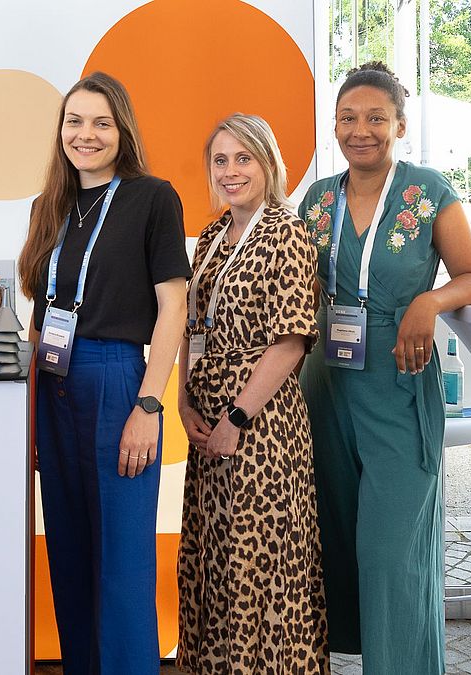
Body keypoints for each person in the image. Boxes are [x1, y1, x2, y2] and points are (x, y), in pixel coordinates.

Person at [296, 62, 471, 673]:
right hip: (325, 383)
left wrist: (427, 303)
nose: (361, 130)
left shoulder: (427, 191)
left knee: (392, 549)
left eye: (376, 118)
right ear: (334, 125)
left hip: (398, 379)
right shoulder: (318, 197)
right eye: (348, 118)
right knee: (334, 536)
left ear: (400, 125)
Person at [17, 71, 189, 675]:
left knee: (121, 563)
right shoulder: (48, 206)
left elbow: (173, 307)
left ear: (123, 131)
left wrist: (148, 406)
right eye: (74, 121)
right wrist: (28, 414)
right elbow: (40, 318)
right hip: (52, 381)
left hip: (117, 382)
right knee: (69, 555)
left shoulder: (152, 198)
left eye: (101, 123)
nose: (85, 135)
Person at [175, 114, 328, 673]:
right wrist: (184, 402)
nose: (231, 171)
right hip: (207, 416)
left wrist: (236, 418)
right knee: (213, 557)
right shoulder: (212, 237)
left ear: (268, 163)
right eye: (220, 160)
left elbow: (291, 341)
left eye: (243, 158)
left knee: (258, 561)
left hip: (261, 424)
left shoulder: (288, 233)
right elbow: (192, 327)